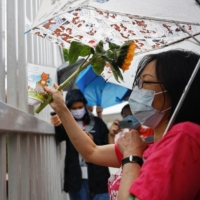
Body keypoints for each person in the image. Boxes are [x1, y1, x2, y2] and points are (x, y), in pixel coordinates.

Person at [46, 49, 200, 200]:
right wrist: (61, 108)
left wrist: (131, 157)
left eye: (145, 82)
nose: (136, 90)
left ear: (176, 88)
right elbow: (91, 152)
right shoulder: (150, 146)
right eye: (137, 83)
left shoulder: (184, 137)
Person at [50, 89, 110, 200]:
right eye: (74, 108)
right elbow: (60, 137)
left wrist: (93, 141)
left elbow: (107, 144)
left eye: (80, 107)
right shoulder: (67, 124)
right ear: (68, 108)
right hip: (76, 179)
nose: (78, 110)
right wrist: (57, 125)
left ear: (85, 106)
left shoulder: (98, 123)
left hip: (99, 178)